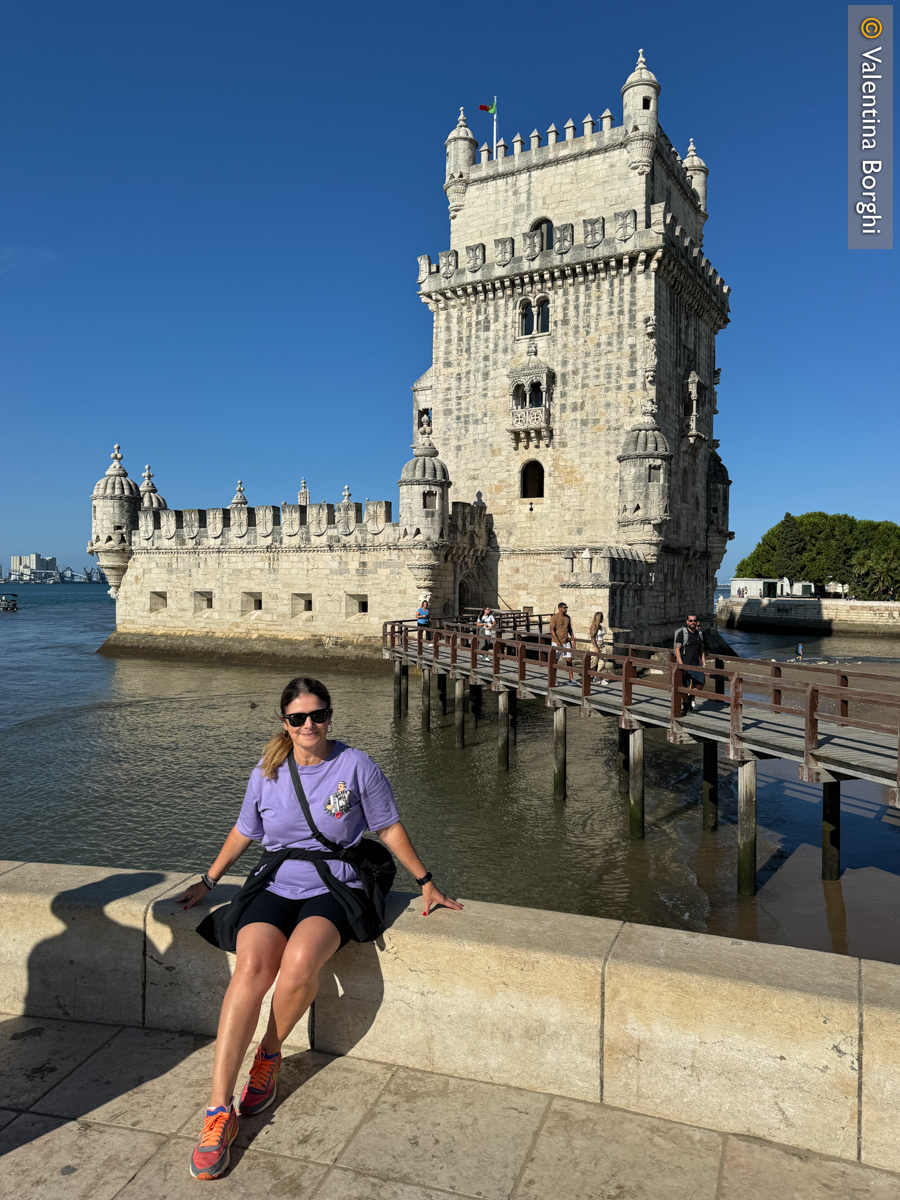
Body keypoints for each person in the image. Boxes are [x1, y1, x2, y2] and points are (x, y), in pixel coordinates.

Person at [177, 676, 461, 1181]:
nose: (310, 725)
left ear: (330, 715)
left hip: (334, 884)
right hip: (276, 882)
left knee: (301, 962)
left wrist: (426, 881)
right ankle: (219, 1110)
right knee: (251, 970)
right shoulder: (266, 772)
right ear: (283, 722)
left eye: (318, 715)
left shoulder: (356, 765)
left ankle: (268, 1054)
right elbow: (246, 830)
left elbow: (388, 826)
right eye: (298, 718)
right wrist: (208, 878)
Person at [674, 614, 706, 713]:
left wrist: (704, 663)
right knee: (684, 686)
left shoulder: (699, 634)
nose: (693, 622)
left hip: (696, 665)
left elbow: (701, 650)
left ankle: (691, 697)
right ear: (687, 622)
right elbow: (677, 649)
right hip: (685, 664)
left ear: (697, 622)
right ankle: (685, 705)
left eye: (694, 621)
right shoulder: (682, 633)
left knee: (701, 684)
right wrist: (681, 665)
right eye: (690, 621)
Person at [550, 601, 575, 684]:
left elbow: (570, 629)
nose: (566, 609)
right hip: (556, 642)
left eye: (566, 608)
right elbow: (551, 630)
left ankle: (571, 679)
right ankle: (554, 679)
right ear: (560, 608)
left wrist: (573, 640)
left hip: (566, 642)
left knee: (569, 660)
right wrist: (557, 641)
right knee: (555, 661)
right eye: (564, 608)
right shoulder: (554, 617)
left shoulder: (568, 617)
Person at [589, 611, 610, 686]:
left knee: (602, 661)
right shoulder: (594, 626)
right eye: (601, 617)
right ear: (598, 618)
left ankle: (598, 678)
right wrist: (595, 647)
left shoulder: (600, 627)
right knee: (594, 662)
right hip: (596, 644)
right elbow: (592, 637)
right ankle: (586, 673)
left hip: (602, 644)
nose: (603, 619)